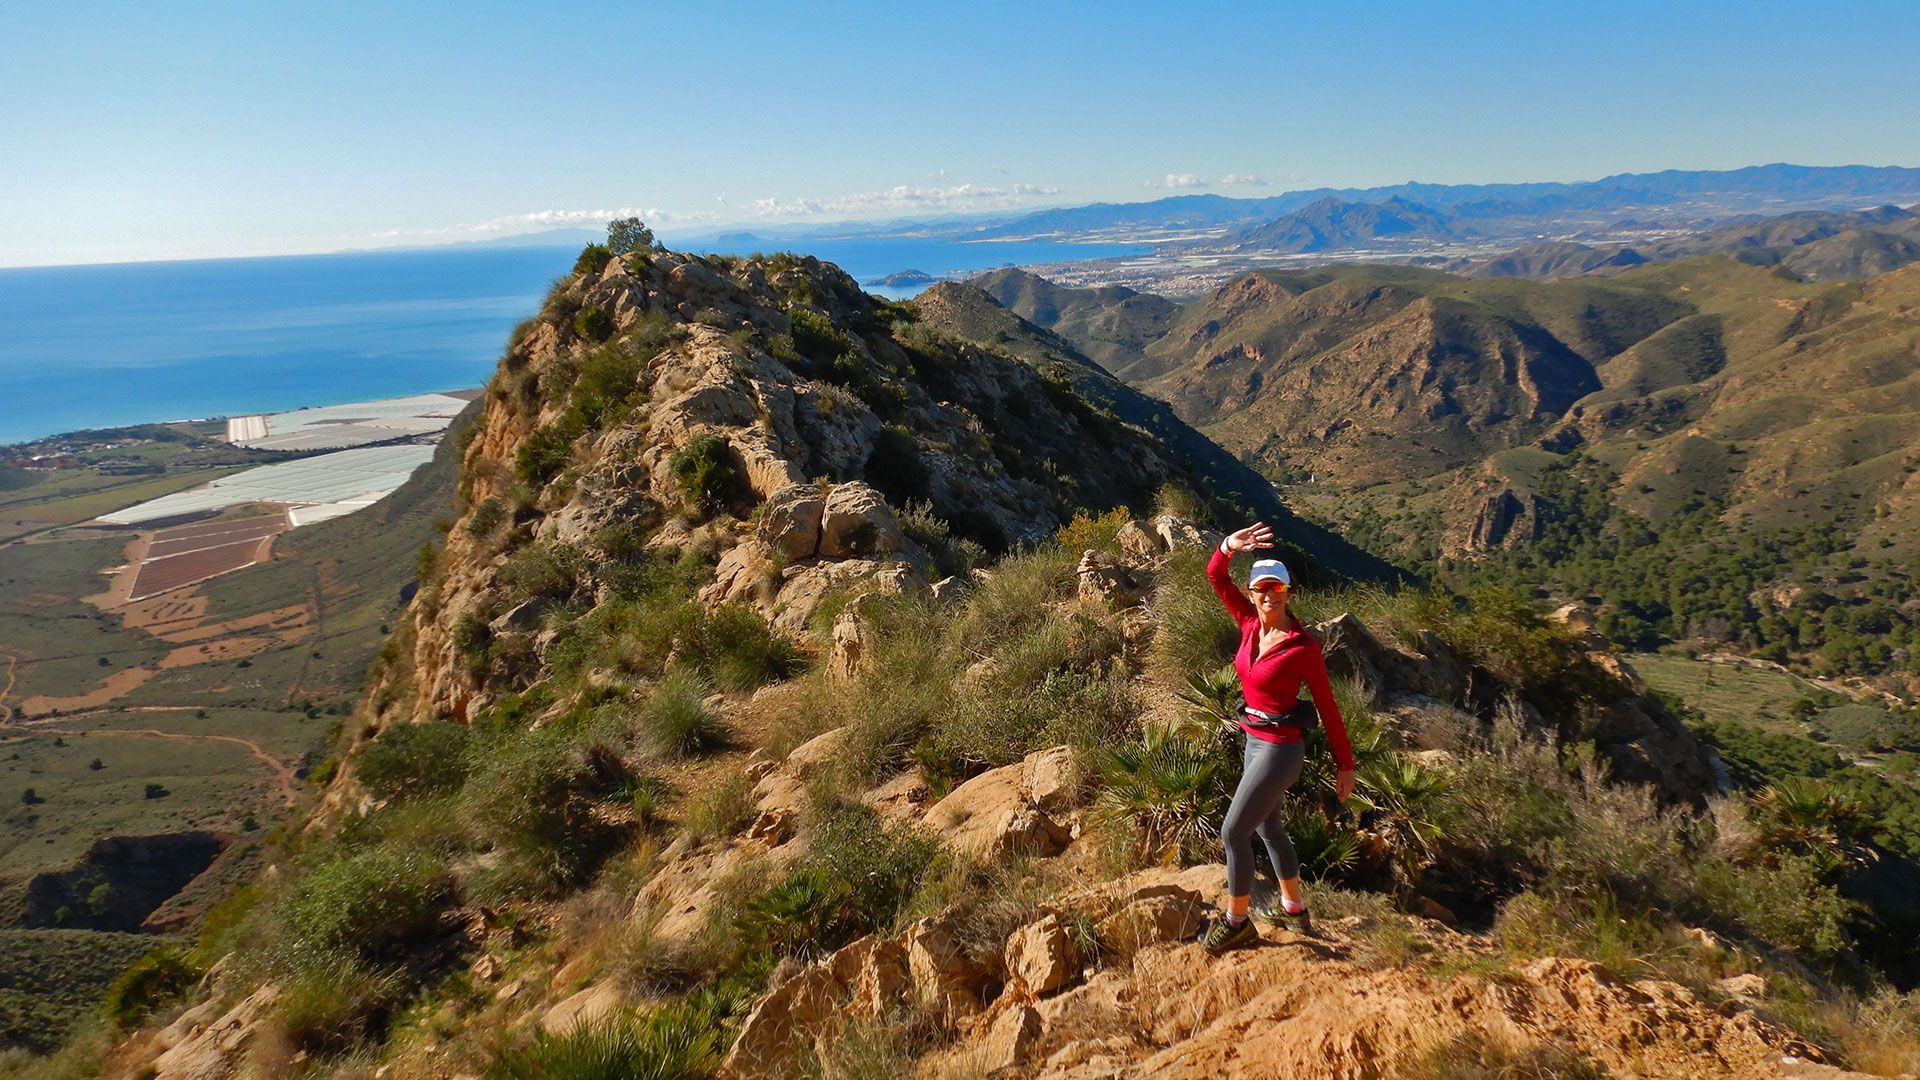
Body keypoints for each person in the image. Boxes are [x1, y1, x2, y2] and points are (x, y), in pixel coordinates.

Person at [1199, 521, 1356, 956]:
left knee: (1233, 833)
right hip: (1254, 741)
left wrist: (1346, 765)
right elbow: (1216, 576)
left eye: (1276, 589)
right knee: (1268, 827)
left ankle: (1236, 924)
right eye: (1260, 589)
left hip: (1281, 750)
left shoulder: (1302, 646)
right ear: (1252, 594)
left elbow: (1327, 706)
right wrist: (1228, 546)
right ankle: (1294, 908)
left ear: (1288, 593)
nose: (1268, 596)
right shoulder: (1249, 624)